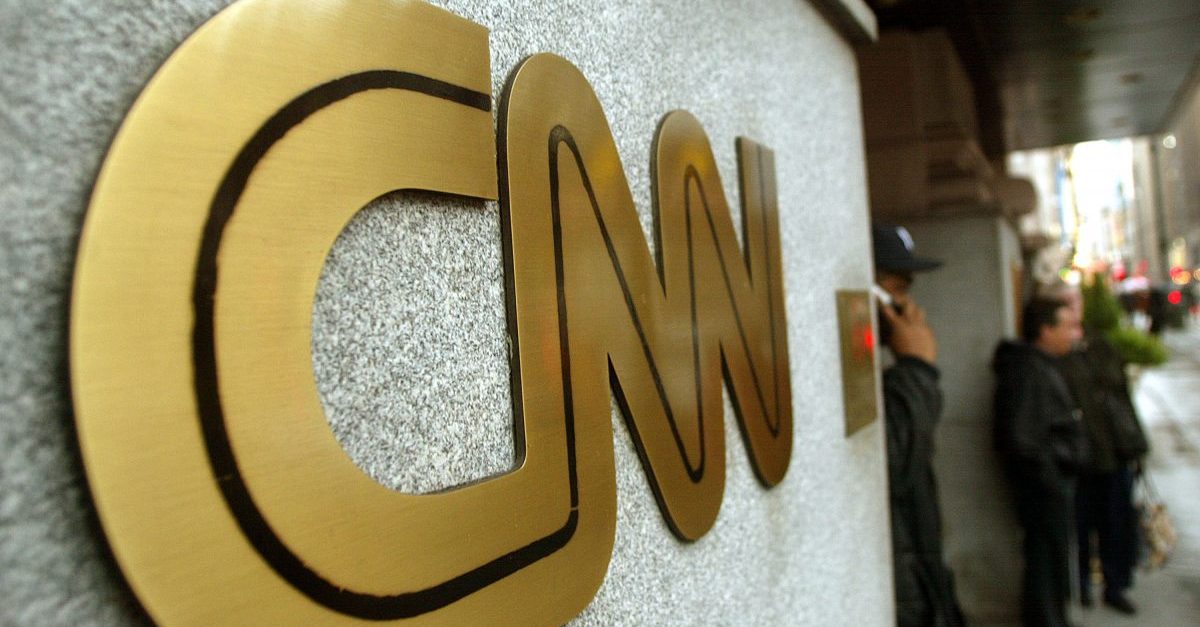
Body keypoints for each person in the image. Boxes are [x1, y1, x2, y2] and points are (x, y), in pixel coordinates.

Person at [873, 224, 965, 627]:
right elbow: (891, 463)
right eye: (896, 289)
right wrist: (916, 368)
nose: (908, 307)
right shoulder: (902, 375)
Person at [993, 297, 1086, 627]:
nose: (1074, 335)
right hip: (1044, 490)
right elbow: (1023, 439)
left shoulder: (1042, 365)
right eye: (1067, 327)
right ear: (1045, 330)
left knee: (1052, 562)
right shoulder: (1028, 370)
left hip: (1051, 486)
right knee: (1045, 564)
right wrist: (1056, 472)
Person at [1053, 287, 1146, 614]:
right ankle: (1082, 587)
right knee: (1079, 526)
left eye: (1074, 302)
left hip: (1113, 454)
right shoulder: (1057, 352)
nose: (1072, 310)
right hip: (1079, 460)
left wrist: (1135, 445)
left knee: (1117, 524)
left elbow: (1121, 396)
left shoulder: (1099, 345)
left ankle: (1115, 584)